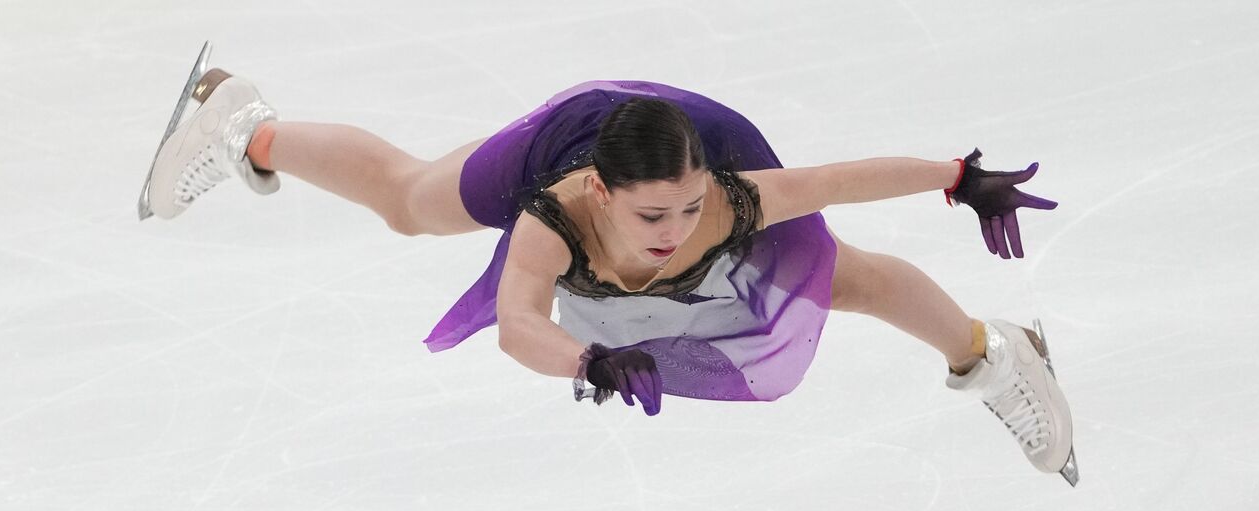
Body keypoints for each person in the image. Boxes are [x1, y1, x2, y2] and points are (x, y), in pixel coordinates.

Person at [139, 44, 1078, 486]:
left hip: (687, 139)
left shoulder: (728, 198)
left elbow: (843, 177)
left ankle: (997, 354)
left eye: (687, 209)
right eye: (651, 218)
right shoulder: (554, 219)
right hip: (572, 135)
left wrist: (959, 178)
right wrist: (583, 361)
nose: (675, 233)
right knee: (408, 203)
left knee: (848, 277)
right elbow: (518, 323)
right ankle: (240, 123)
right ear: (601, 198)